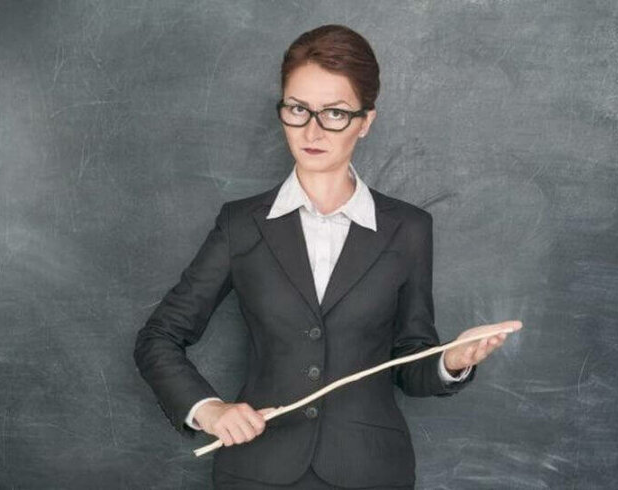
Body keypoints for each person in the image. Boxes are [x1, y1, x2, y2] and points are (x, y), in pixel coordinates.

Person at [134, 24, 522, 489]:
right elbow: (159, 337)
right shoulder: (241, 224)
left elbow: (410, 363)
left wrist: (451, 359)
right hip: (257, 471)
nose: (312, 130)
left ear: (365, 121)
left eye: (335, 113)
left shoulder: (409, 228)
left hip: (371, 472)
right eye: (298, 109)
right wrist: (209, 410)